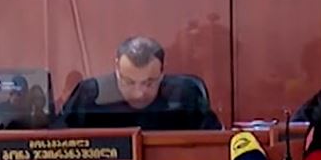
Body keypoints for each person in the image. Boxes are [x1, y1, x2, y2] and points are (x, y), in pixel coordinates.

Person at [53, 36, 220, 131]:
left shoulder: (185, 96)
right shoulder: (90, 95)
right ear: (117, 68)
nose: (139, 93)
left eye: (149, 83)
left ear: (162, 71)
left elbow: (215, 144)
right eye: (129, 82)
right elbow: (58, 143)